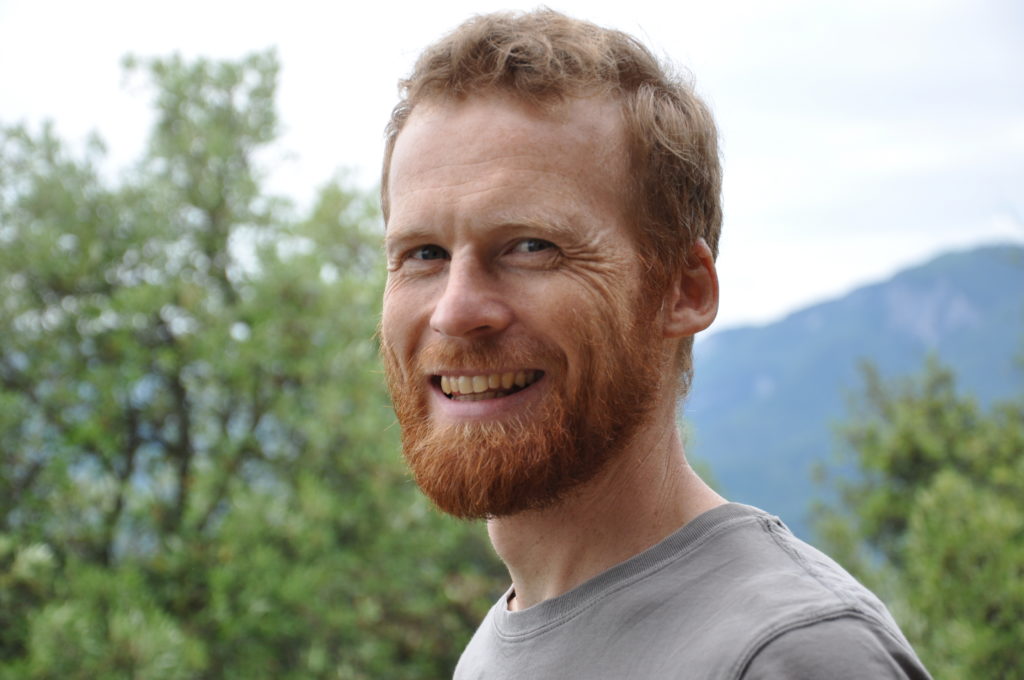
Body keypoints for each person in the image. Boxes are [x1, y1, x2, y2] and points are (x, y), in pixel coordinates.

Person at [378, 9, 931, 679]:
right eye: (424, 254)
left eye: (531, 246)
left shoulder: (790, 655)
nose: (456, 311)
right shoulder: (502, 646)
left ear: (683, 290)